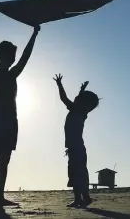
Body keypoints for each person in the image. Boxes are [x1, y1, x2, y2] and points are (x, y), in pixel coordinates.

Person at [0, 4, 40, 209]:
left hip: (10, 120)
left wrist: (34, 35)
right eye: (13, 55)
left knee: (4, 159)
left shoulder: (13, 73)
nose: (15, 58)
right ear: (5, 55)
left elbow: (25, 57)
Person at [53, 74, 99, 208]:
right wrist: (82, 90)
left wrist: (59, 84)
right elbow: (78, 100)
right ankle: (84, 198)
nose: (76, 99)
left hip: (75, 148)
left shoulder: (76, 109)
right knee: (80, 173)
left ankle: (80, 199)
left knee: (75, 173)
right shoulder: (82, 111)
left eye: (78, 98)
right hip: (78, 148)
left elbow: (63, 98)